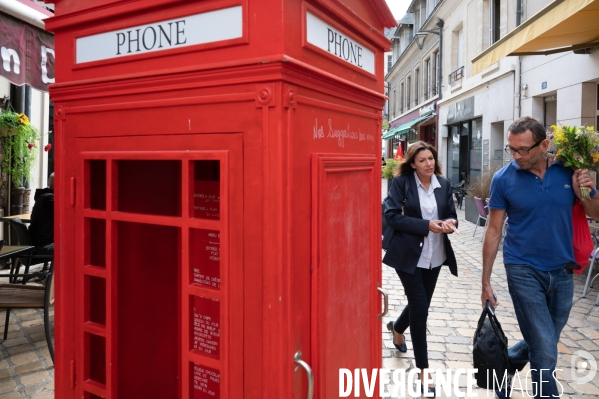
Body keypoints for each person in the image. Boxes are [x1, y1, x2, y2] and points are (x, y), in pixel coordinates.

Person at [481, 117, 599, 399]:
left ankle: (507, 364)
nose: (517, 156)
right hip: (522, 268)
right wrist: (485, 280)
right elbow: (494, 230)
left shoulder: (566, 171)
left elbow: (594, 210)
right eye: (512, 149)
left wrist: (589, 187)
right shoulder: (503, 179)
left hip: (562, 269)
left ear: (544, 145)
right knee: (545, 348)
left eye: (523, 150)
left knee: (545, 339)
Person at [383, 141, 459, 397]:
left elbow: (450, 213)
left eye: (431, 159)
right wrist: (427, 225)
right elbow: (392, 215)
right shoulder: (402, 184)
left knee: (420, 303)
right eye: (422, 160)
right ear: (413, 164)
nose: (428, 163)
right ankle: (424, 371)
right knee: (420, 309)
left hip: (435, 256)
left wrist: (449, 223)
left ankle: (396, 328)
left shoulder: (444, 184)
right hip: (408, 256)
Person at [29, 173, 54, 257]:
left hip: (39, 242)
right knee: (72, 246)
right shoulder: (49, 199)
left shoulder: (44, 196)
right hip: (41, 246)